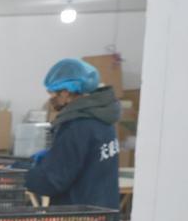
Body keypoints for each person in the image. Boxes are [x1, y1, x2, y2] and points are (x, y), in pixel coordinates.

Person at [24, 58, 121, 209]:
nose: (51, 99)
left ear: (66, 93)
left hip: (79, 216)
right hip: (104, 211)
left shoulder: (76, 125)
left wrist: (20, 174)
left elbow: (52, 182)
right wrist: (54, 157)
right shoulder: (103, 116)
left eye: (52, 93)